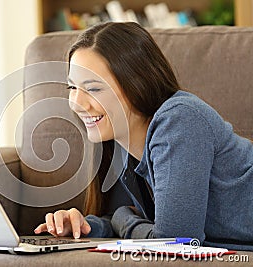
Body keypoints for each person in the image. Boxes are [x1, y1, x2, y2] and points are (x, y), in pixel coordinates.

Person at [33, 22, 253, 251]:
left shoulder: (180, 119)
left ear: (137, 84)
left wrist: (123, 219)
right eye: (72, 88)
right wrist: (86, 226)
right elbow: (129, 219)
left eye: (94, 89)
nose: (77, 104)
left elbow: (178, 242)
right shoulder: (120, 140)